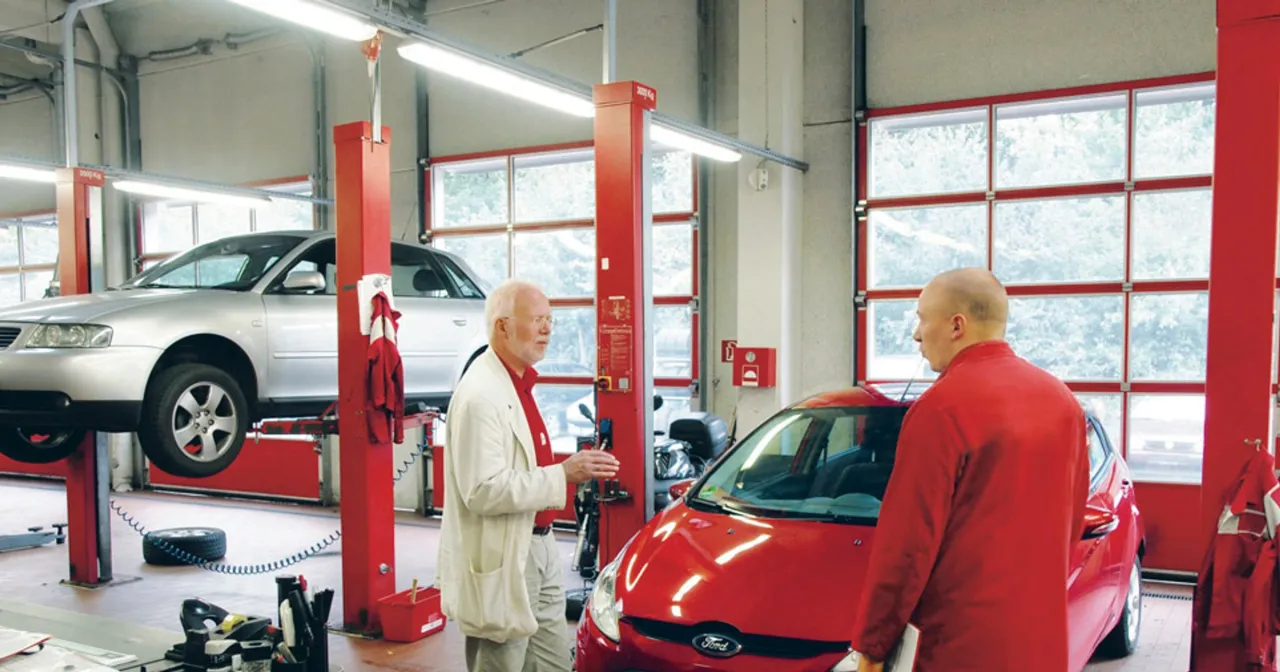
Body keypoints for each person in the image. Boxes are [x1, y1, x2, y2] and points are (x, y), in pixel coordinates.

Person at [849, 267, 1091, 672]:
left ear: (957, 325)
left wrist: (873, 646)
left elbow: (907, 546)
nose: (916, 335)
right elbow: (1071, 523)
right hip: (1040, 642)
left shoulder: (942, 409)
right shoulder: (1061, 400)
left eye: (922, 319)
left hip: (960, 648)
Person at [436, 278, 620, 672]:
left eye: (550, 320)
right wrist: (564, 474)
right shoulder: (481, 395)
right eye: (537, 319)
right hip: (506, 551)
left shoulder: (518, 385)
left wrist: (567, 472)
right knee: (501, 662)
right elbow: (482, 490)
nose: (547, 329)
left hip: (538, 545)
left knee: (551, 660)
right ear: (502, 326)